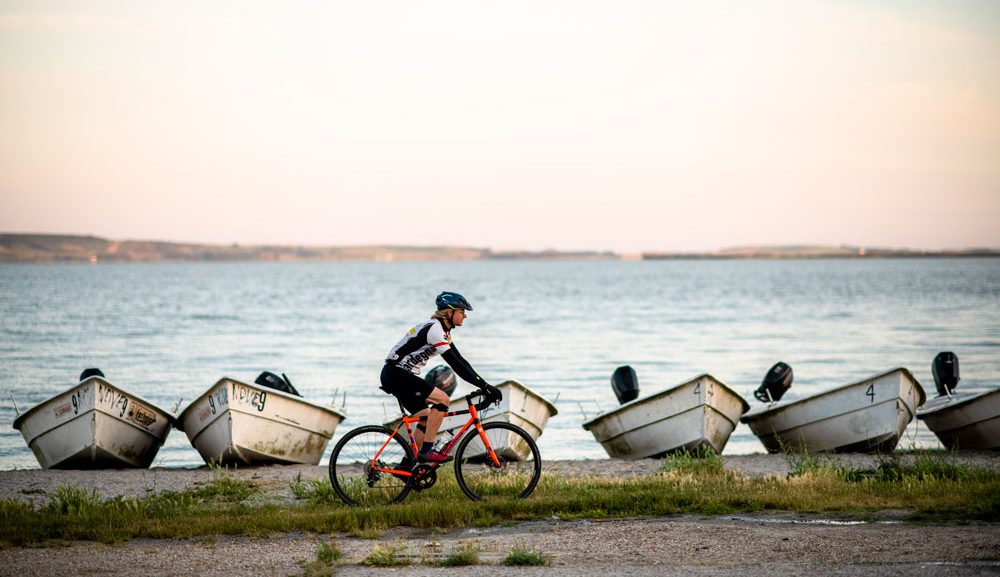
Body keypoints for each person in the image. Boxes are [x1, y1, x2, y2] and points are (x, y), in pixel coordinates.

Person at [381, 291, 501, 463]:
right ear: (449, 312)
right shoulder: (435, 330)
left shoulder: (443, 332)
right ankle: (427, 451)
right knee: (442, 400)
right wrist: (485, 387)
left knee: (425, 416)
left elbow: (462, 361)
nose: (465, 316)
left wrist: (485, 385)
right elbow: (456, 365)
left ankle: (407, 466)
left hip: (398, 374)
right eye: (462, 311)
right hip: (396, 374)